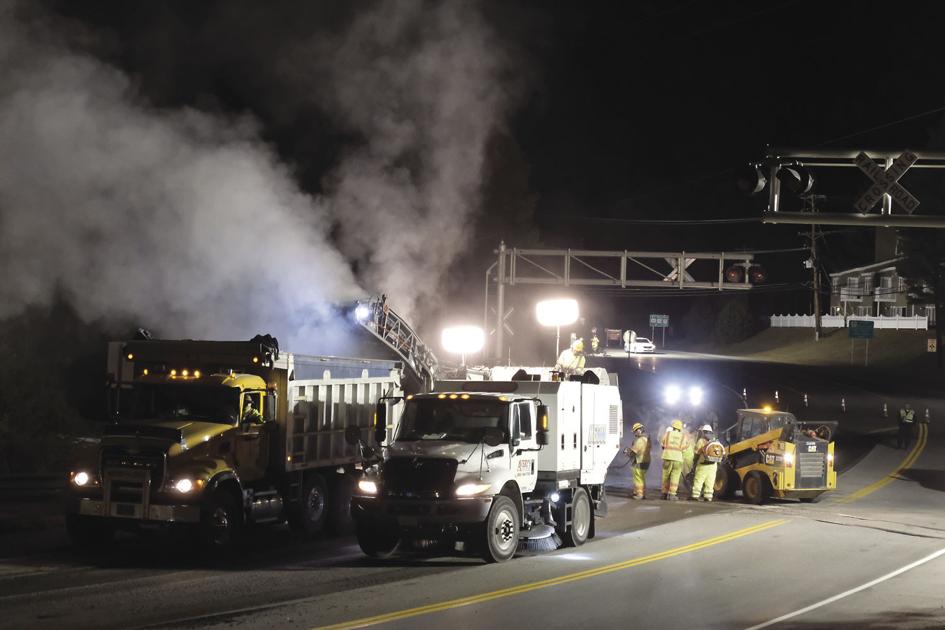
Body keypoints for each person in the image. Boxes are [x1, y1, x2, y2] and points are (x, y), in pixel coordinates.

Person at [692, 424, 724, 502]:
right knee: (710, 481)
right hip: (713, 465)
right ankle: (708, 496)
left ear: (703, 432)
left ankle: (695, 495)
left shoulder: (701, 441)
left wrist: (694, 462)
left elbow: (697, 453)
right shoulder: (716, 441)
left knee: (699, 480)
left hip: (703, 464)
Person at [660, 419, 689, 500]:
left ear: (672, 427)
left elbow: (662, 444)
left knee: (665, 476)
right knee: (675, 476)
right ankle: (672, 494)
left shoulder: (667, 434)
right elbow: (684, 448)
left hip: (667, 456)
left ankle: (664, 493)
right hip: (677, 458)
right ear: (680, 428)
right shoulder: (683, 436)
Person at [625, 422, 651, 500]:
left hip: (639, 461)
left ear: (639, 430)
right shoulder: (647, 439)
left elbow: (634, 452)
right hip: (646, 461)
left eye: (635, 432)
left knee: (638, 478)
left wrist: (627, 452)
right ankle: (639, 493)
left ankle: (639, 494)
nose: (634, 434)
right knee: (641, 478)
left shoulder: (640, 440)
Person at [680, 422, 696, 495]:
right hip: (688, 457)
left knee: (683, 473)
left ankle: (682, 487)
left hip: (685, 457)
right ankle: (685, 487)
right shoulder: (690, 438)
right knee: (686, 473)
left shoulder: (684, 435)